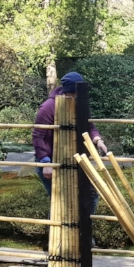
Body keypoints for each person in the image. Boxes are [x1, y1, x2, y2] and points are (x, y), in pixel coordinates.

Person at [33, 71, 106, 211]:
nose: (76, 98)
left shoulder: (80, 103)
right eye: (73, 95)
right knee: (60, 205)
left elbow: (89, 126)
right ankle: (55, 232)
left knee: (90, 194)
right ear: (67, 92)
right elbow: (38, 136)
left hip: (74, 159)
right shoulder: (48, 107)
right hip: (52, 160)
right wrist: (46, 163)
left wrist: (97, 139)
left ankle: (84, 231)